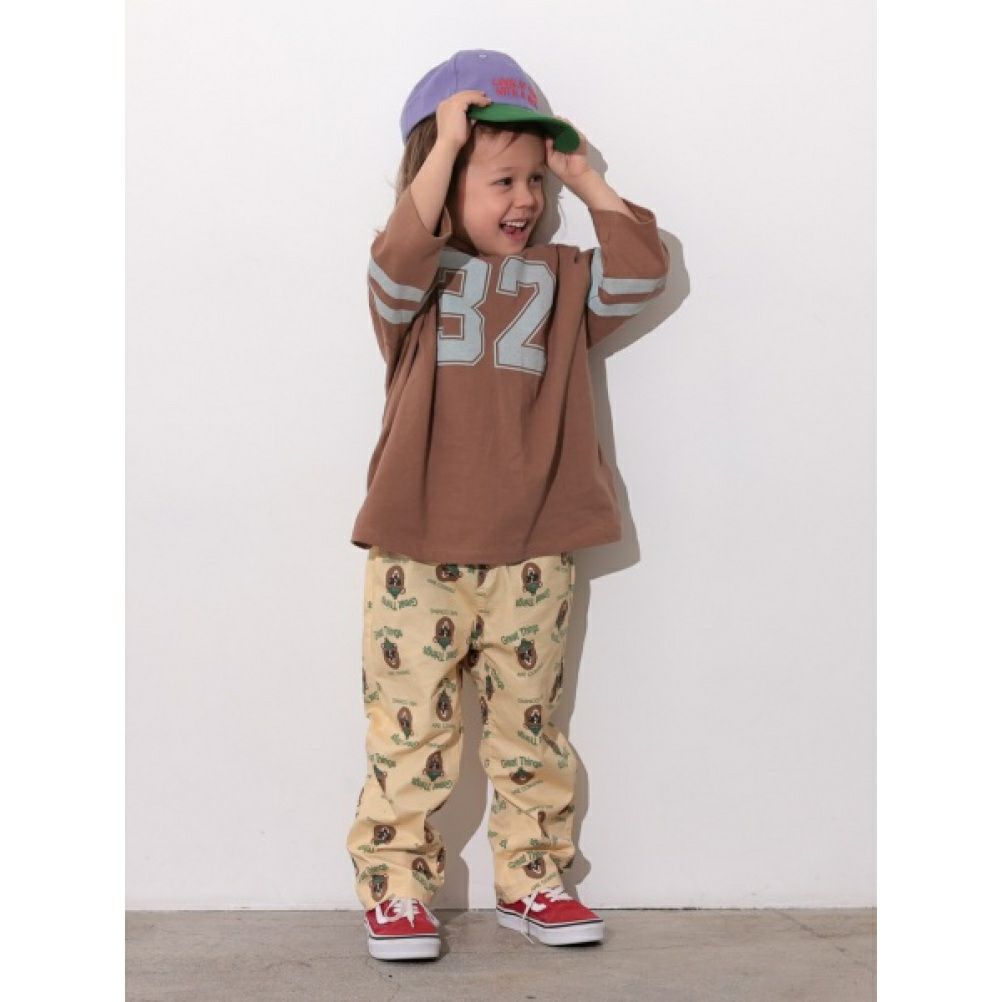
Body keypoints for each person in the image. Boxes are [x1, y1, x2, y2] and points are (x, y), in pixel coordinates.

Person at [346, 49, 670, 961]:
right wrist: (447, 148)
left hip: (534, 548)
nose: (526, 198)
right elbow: (395, 258)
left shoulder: (563, 279)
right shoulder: (415, 283)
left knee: (530, 729)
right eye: (502, 181)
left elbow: (642, 271)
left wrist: (587, 180)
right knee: (410, 729)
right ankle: (396, 887)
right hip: (416, 549)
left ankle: (532, 879)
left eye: (536, 180)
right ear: (443, 182)